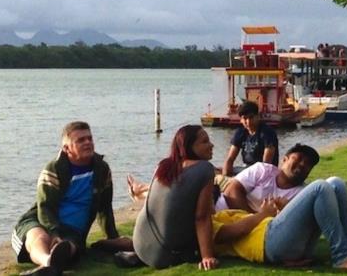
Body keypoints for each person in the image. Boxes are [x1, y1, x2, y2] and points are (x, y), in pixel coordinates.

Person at [11, 121, 129, 276]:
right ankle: (47, 262)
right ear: (66, 148)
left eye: (89, 138)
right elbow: (45, 208)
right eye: (80, 140)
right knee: (39, 236)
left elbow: (105, 208)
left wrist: (113, 238)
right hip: (39, 220)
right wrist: (54, 233)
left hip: (73, 230)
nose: (87, 142)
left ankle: (55, 261)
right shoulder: (53, 169)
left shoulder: (102, 170)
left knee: (70, 246)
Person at [211, 177, 347, 271]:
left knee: (336, 183)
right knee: (319, 187)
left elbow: (251, 227)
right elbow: (229, 234)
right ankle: (341, 256)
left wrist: (280, 212)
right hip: (269, 244)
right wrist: (263, 214)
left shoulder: (223, 214)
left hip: (277, 236)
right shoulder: (207, 225)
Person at [132, 125, 218, 270]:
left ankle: (109, 244)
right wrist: (207, 256)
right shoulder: (205, 169)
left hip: (140, 244)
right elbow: (201, 217)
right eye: (205, 142)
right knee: (222, 232)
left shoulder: (164, 165)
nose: (211, 145)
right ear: (189, 147)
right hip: (167, 256)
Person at [218, 143, 319, 213]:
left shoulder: (303, 194)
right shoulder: (263, 170)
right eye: (299, 158)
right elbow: (231, 190)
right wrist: (253, 218)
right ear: (284, 160)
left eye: (308, 163)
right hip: (221, 210)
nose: (302, 164)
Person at [222, 101, 279, 176]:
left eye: (251, 117)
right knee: (215, 171)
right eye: (245, 118)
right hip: (247, 168)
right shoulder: (240, 132)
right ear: (241, 120)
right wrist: (225, 177)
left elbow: (266, 164)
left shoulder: (267, 132)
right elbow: (230, 159)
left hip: (265, 172)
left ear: (258, 116)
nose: (248, 122)